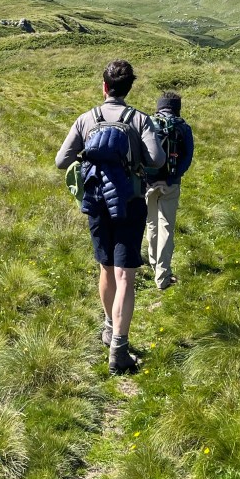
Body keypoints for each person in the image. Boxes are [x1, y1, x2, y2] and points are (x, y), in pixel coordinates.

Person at [55, 60, 165, 374]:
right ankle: (119, 346)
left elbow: (61, 161)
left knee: (105, 268)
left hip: (97, 202)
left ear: (104, 87)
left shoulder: (86, 119)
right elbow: (155, 159)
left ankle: (107, 325)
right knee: (125, 276)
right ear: (129, 88)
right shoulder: (140, 120)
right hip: (129, 203)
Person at [145, 91, 194, 292]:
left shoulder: (148, 123)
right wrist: (172, 178)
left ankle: (153, 263)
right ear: (177, 107)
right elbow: (187, 158)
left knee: (151, 224)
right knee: (166, 227)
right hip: (171, 184)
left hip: (148, 183)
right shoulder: (183, 127)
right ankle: (162, 276)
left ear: (159, 106)